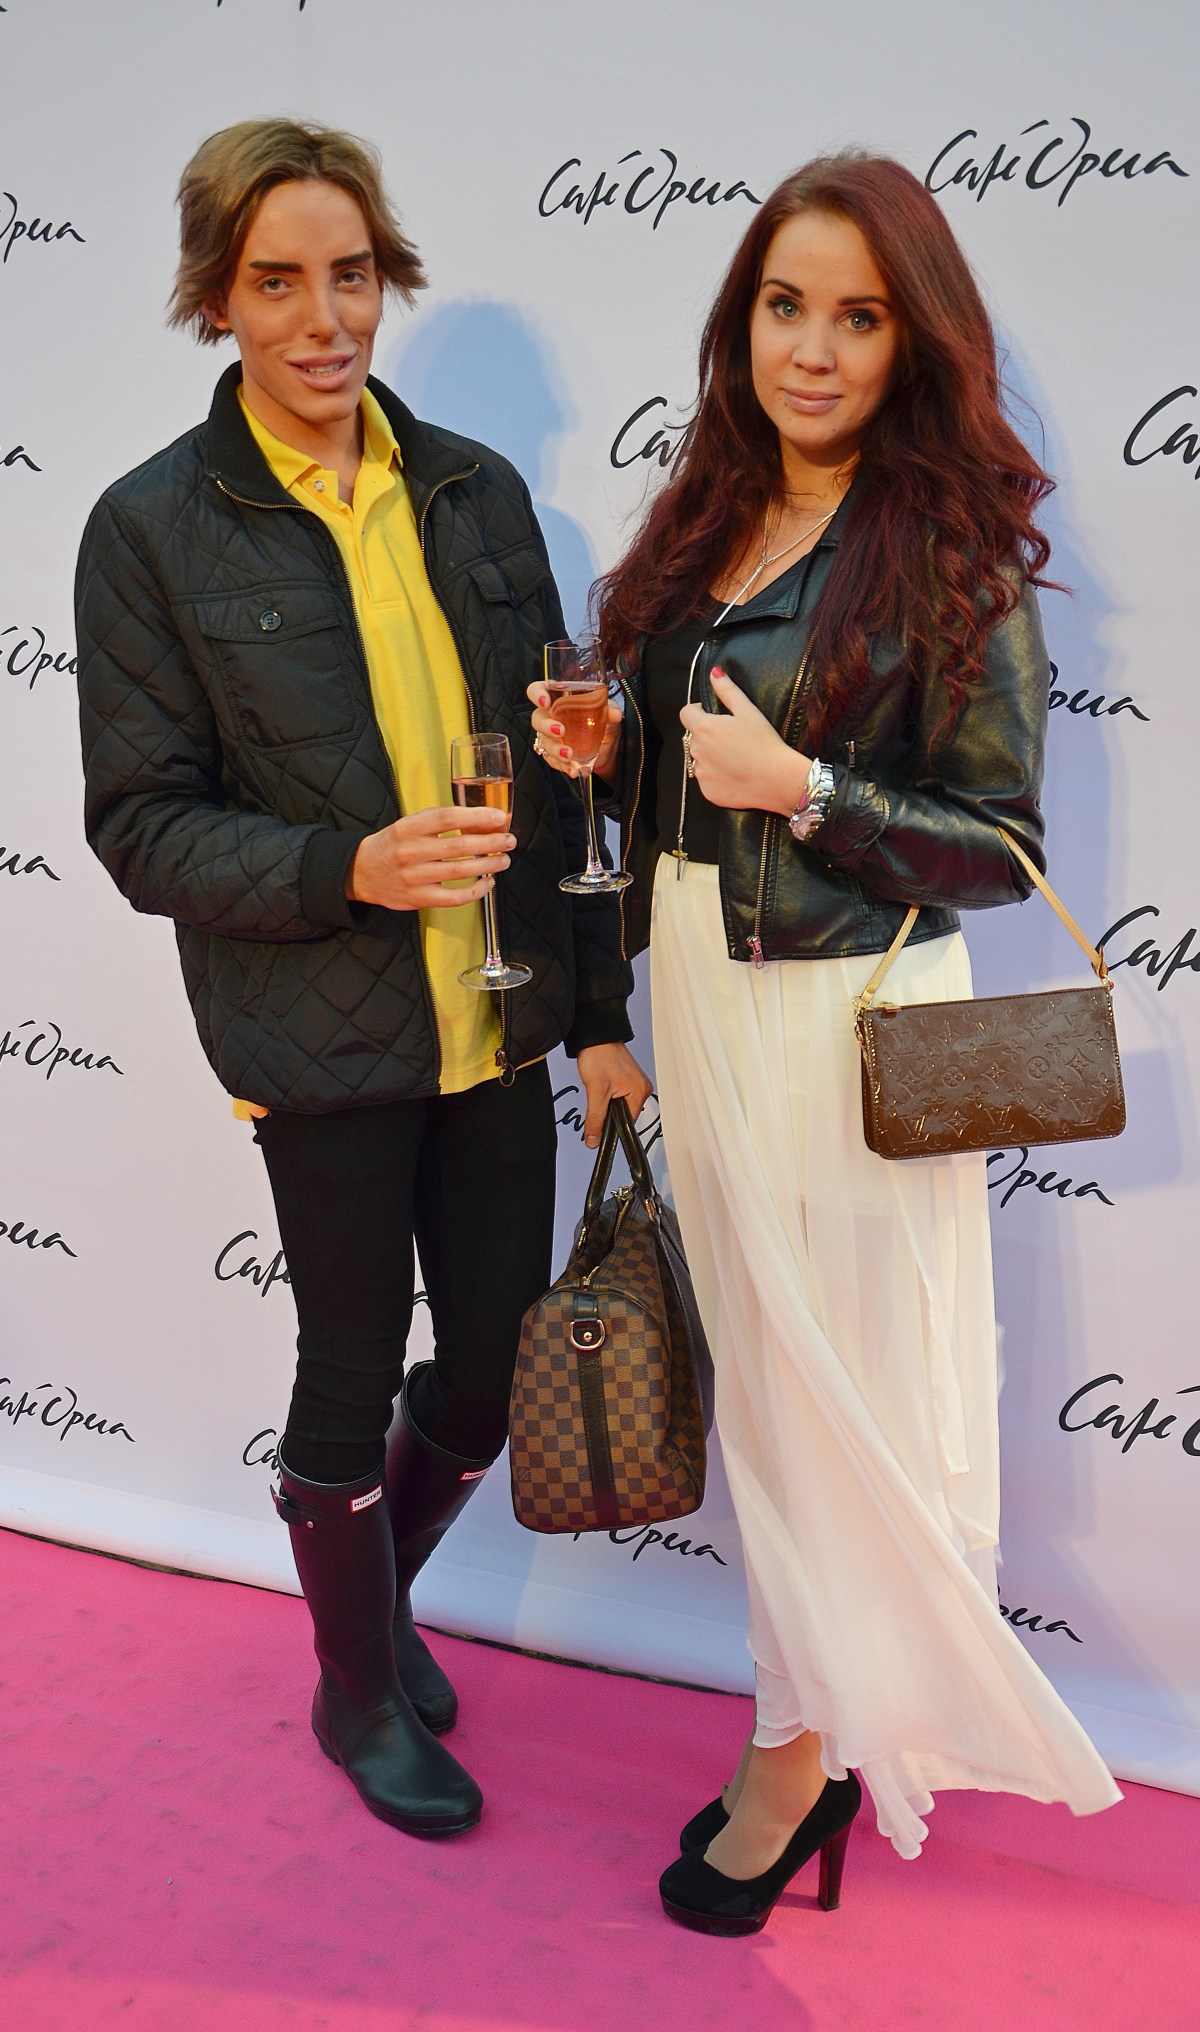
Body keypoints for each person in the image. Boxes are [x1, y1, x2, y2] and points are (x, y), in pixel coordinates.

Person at [531, 151, 1119, 1934]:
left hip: (853, 1021)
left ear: (910, 341)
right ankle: (807, 1720)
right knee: (772, 1410)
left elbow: (1000, 845)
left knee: (840, 1403)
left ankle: (798, 1755)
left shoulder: (946, 546)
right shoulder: (707, 517)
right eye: (786, 306)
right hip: (710, 1009)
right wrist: (613, 763)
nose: (812, 348)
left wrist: (807, 789)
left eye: (857, 318)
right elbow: (672, 791)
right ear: (743, 321)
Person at [75, 117, 650, 1840]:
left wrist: (598, 1007)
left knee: (482, 1379)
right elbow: (142, 827)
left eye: (349, 275)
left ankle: (370, 1602)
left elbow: (559, 782)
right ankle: (353, 1682)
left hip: (501, 1012)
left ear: (383, 278)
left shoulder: (473, 489)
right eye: (277, 282)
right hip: (314, 1032)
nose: (323, 320)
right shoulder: (149, 530)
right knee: (348, 1368)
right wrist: (350, 867)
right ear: (217, 297)